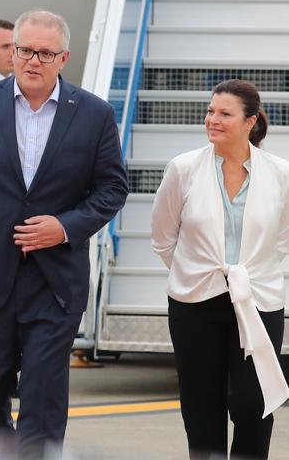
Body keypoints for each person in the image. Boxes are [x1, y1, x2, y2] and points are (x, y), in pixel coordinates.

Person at [0, 9, 128, 458]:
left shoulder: (93, 114)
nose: (32, 60)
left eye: (44, 53)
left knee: (43, 398)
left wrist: (66, 226)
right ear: (12, 52)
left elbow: (113, 188)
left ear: (63, 57)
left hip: (54, 284)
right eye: (23, 50)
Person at [151, 79, 289, 460]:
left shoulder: (280, 173)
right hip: (195, 302)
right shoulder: (183, 168)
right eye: (210, 111)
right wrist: (198, 272)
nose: (213, 119)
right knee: (200, 408)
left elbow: (283, 237)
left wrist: (248, 271)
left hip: (258, 301)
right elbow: (163, 237)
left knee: (252, 404)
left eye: (225, 113)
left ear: (250, 122)